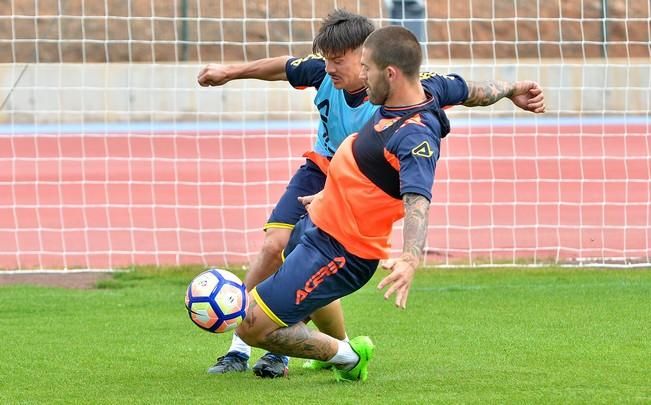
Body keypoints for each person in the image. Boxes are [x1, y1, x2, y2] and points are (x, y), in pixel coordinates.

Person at [197, 9, 546, 378]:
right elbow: (475, 92)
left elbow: (418, 197)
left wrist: (411, 257)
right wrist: (511, 91)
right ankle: (316, 349)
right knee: (278, 247)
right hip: (324, 181)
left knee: (278, 296)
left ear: (380, 66)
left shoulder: (410, 119)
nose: (337, 69)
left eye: (352, 63)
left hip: (348, 218)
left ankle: (316, 350)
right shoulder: (338, 76)